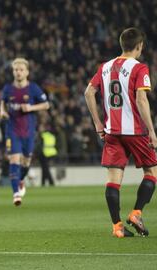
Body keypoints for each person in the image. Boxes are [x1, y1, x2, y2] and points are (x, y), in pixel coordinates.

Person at [85, 27, 157, 238]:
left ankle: (117, 226)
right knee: (152, 173)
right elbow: (141, 100)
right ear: (140, 46)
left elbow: (89, 92)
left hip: (112, 131)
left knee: (113, 179)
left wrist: (98, 123)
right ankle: (136, 213)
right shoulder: (139, 68)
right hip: (135, 131)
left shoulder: (105, 67)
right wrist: (151, 131)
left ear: (121, 44)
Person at [0, 58, 50, 205]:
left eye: (21, 70)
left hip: (28, 132)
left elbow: (46, 104)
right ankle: (16, 194)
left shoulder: (33, 88)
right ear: (13, 72)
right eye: (16, 70)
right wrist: (2, 111)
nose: (18, 72)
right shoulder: (8, 88)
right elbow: (3, 102)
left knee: (26, 162)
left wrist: (31, 108)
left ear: (27, 72)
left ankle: (20, 179)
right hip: (12, 130)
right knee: (14, 160)